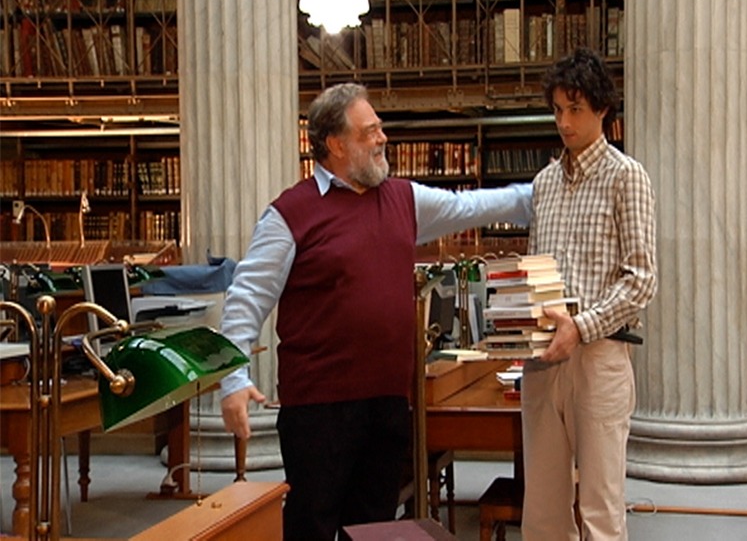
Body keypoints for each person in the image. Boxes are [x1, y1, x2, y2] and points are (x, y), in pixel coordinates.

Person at [216, 82, 532, 541]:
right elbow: (247, 297)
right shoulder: (290, 214)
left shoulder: (403, 198)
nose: (382, 138)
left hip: (387, 403)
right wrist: (233, 380)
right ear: (335, 144)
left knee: (374, 527)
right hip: (318, 410)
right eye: (369, 132)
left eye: (380, 128)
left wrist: (537, 195)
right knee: (312, 527)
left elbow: (470, 206)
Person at [522, 47, 658, 540]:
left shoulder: (626, 176)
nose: (564, 122)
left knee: (600, 511)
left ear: (602, 109)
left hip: (598, 357)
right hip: (543, 359)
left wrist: (580, 327)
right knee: (542, 514)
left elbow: (642, 278)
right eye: (558, 109)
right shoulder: (543, 184)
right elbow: (535, 271)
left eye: (575, 109)